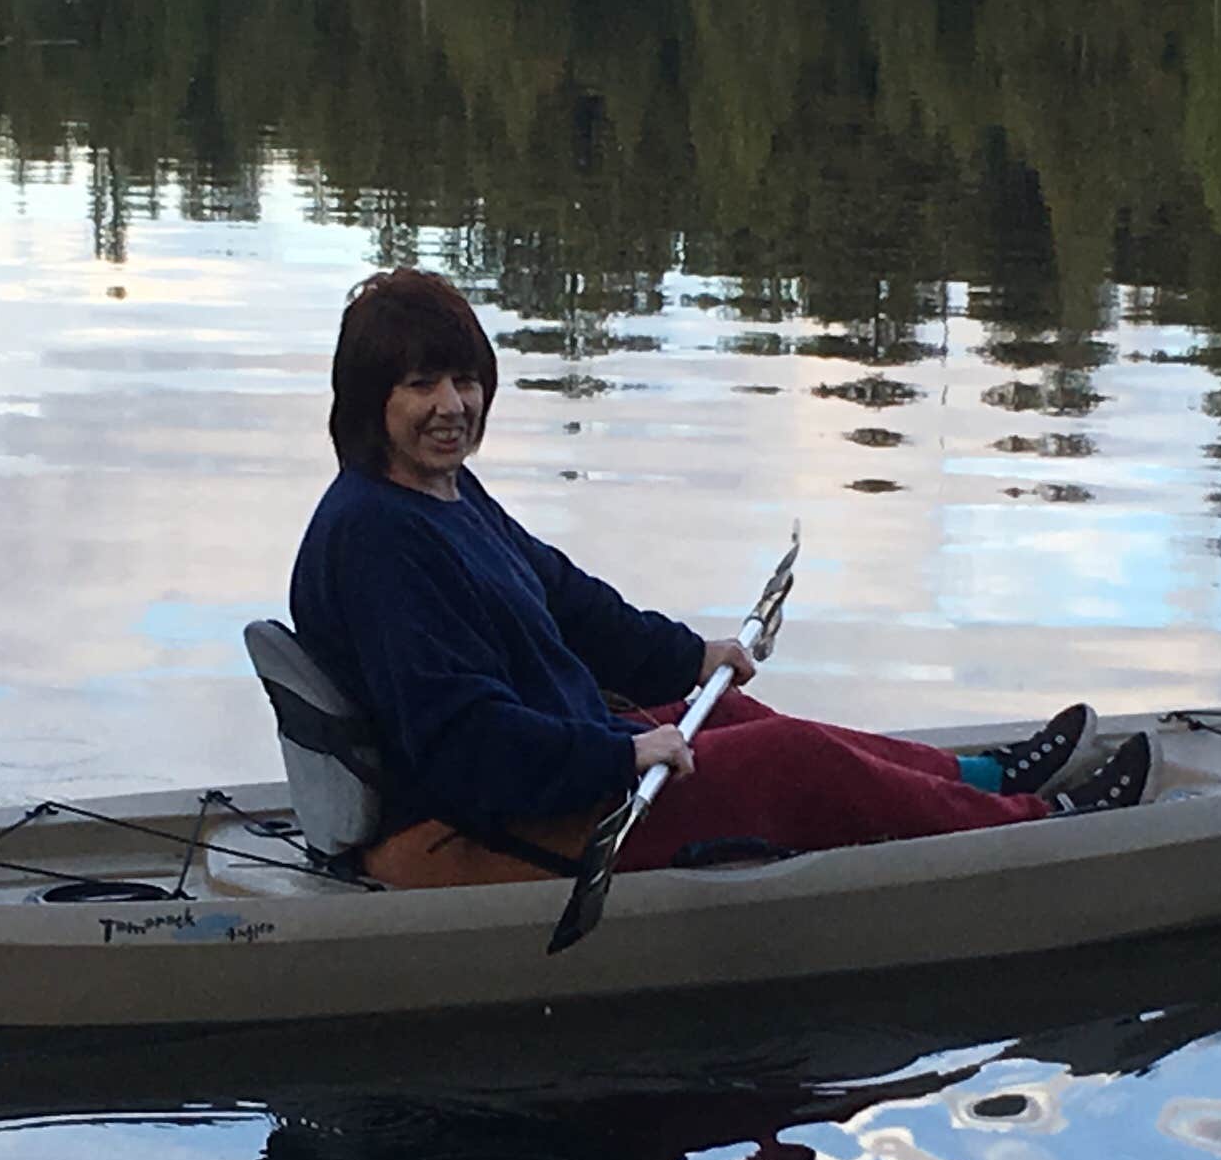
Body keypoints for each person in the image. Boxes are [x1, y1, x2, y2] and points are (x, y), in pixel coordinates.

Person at [289, 269, 1148, 891]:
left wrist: (688, 658)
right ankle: (1038, 833)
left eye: (466, 379)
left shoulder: (440, 491)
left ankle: (981, 780)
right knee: (787, 761)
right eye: (422, 385)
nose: (453, 404)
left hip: (537, 775)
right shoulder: (377, 540)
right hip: (469, 830)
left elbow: (567, 602)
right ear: (373, 402)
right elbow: (462, 742)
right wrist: (619, 755)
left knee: (732, 712)